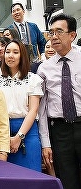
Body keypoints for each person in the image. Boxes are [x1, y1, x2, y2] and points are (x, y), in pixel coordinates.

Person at [37, 14, 81, 189]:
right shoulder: (44, 68)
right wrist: (46, 143)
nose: (53, 36)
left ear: (72, 35)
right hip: (60, 131)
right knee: (67, 180)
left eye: (59, 32)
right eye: (51, 32)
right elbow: (41, 109)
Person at [0, 39, 43, 171]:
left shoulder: (32, 79)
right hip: (3, 132)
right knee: (5, 177)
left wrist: (19, 137)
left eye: (15, 52)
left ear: (22, 55)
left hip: (28, 132)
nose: (10, 55)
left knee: (30, 177)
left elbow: (33, 110)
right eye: (7, 52)